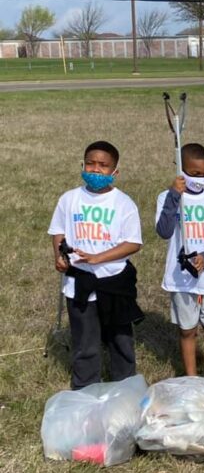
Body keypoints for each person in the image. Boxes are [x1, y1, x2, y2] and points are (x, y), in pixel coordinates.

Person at [48, 140, 143, 389]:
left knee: (120, 338)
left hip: (114, 281)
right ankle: (85, 389)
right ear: (82, 165)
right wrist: (59, 256)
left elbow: (133, 243)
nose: (96, 169)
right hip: (79, 281)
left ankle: (125, 387)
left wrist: (98, 258)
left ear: (115, 172)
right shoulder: (69, 199)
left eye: (103, 165)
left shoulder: (124, 204)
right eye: (90, 163)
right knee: (85, 341)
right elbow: (58, 231)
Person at [156, 143, 204, 379]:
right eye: (194, 174)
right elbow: (164, 231)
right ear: (180, 169)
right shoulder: (166, 197)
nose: (200, 179)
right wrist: (173, 198)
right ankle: (191, 377)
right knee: (187, 329)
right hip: (181, 279)